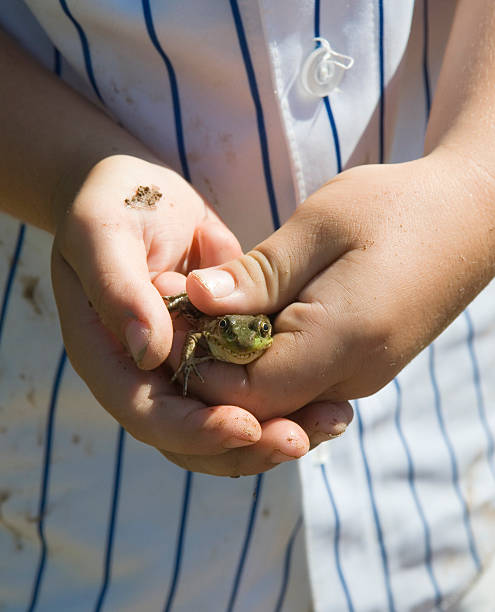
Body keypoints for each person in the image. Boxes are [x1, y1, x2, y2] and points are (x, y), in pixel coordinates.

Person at [1, 0, 495, 610]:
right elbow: (206, 326)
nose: (247, 335)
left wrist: (475, 181)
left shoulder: (257, 330)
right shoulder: (221, 330)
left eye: (253, 331)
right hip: (77, 502)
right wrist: (67, 173)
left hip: (443, 459)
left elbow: (255, 326)